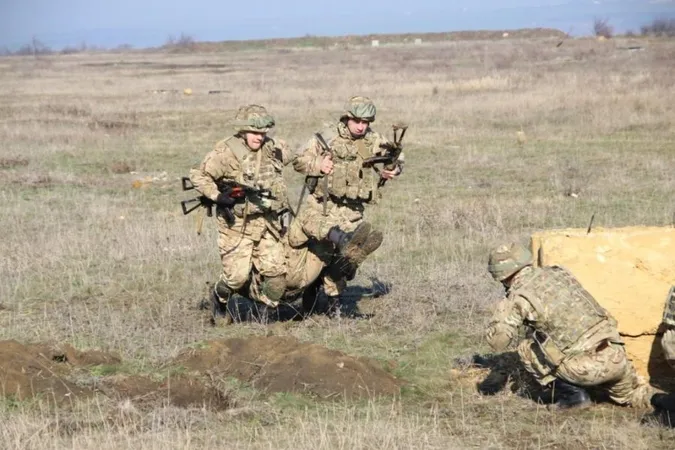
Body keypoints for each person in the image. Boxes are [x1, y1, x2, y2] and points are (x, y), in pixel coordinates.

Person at [485, 242, 655, 409]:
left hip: (585, 370)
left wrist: (500, 313)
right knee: (637, 397)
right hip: (616, 356)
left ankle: (573, 395)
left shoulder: (518, 296)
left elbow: (498, 343)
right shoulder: (559, 273)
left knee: (526, 348)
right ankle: (663, 402)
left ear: (501, 276)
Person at [288, 96, 404, 315]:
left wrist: (394, 169)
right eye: (357, 121)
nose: (362, 126)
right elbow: (297, 160)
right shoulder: (325, 138)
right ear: (347, 118)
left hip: (352, 212)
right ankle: (310, 291)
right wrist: (317, 164)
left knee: (347, 258)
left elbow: (395, 158)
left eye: (366, 122)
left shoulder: (373, 139)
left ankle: (334, 302)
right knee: (316, 260)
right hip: (323, 207)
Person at [188, 104, 292, 323]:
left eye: (263, 133)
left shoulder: (272, 148)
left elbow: (299, 158)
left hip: (268, 223)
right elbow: (199, 176)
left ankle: (266, 316)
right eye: (254, 133)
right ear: (243, 131)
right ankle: (219, 297)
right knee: (236, 278)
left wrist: (320, 164)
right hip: (237, 224)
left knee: (276, 276)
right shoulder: (226, 152)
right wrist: (218, 196)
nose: (259, 137)